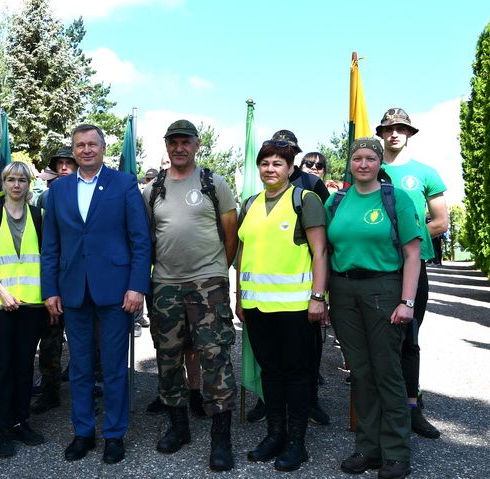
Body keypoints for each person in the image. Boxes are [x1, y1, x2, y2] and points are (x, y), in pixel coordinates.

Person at [41, 124, 151, 464]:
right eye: (79, 145)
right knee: (80, 367)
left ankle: (115, 434)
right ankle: (84, 432)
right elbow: (50, 247)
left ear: (104, 148)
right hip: (73, 290)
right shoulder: (58, 191)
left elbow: (140, 240)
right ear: (73, 151)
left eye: (92, 144)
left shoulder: (123, 183)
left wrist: (137, 286)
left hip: (116, 291)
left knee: (115, 367)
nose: (86, 150)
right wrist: (50, 290)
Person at [143, 119, 238, 472]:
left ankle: (220, 438)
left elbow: (231, 233)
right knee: (168, 358)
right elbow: (149, 238)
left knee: (215, 358)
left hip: (207, 284)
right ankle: (178, 427)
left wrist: (216, 271)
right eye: (173, 142)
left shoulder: (214, 183)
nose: (179, 147)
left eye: (185, 142)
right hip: (165, 284)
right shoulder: (152, 189)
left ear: (197, 145)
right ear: (166, 146)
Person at [326, 137, 421, 479]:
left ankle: (396, 452)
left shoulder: (397, 199)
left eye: (370, 158)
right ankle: (368, 449)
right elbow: (322, 250)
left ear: (380, 163)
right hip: (343, 290)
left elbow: (413, 255)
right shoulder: (337, 201)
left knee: (387, 371)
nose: (363, 164)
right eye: (357, 158)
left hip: (383, 287)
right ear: (350, 163)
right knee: (361, 373)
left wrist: (407, 302)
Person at [236, 137, 328, 472]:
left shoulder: (305, 200)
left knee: (298, 375)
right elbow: (243, 252)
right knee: (271, 373)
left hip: (296, 308)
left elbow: (320, 252)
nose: (270, 168)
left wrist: (319, 297)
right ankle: (275, 434)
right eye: (265, 162)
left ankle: (296, 443)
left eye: (278, 163)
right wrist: (239, 296)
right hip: (257, 307)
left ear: (291, 168)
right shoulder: (251, 203)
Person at [377, 108, 448, 439]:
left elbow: (441, 221)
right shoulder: (369, 168)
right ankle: (381, 408)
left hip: (413, 266)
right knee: (378, 339)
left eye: (401, 128)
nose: (395, 133)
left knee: (410, 339)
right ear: (381, 133)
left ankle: (411, 409)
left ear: (409, 133)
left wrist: (409, 243)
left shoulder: (425, 173)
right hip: (378, 267)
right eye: (389, 128)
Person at [0, 161, 49, 458]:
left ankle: (21, 422)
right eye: (11, 179)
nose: (16, 184)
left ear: (29, 184)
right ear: (3, 184)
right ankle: (2, 429)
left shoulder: (39, 216)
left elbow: (46, 258)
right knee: (2, 367)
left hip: (32, 304)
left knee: (24, 365)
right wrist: (3, 292)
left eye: (22, 180)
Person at [31, 146, 78, 415]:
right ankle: (49, 389)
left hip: (77, 277)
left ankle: (87, 383)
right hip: (51, 274)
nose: (63, 167)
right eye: (60, 163)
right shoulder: (45, 198)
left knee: (82, 337)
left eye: (68, 163)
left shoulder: (87, 194)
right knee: (50, 337)